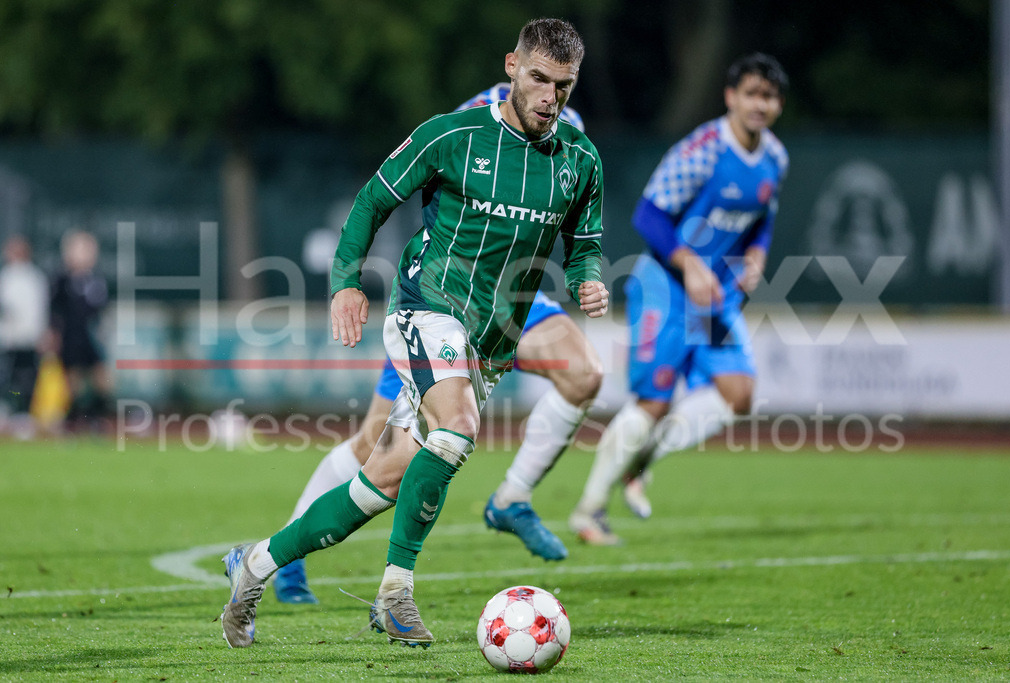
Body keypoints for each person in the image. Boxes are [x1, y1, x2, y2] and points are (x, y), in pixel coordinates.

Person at [220, 17, 607, 649]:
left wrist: (589, 280)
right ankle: (394, 593)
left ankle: (254, 564)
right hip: (427, 306)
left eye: (563, 85)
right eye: (539, 78)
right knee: (458, 428)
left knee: (382, 482)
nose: (549, 97)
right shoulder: (452, 135)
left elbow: (584, 245)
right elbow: (373, 199)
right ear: (511, 66)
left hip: (492, 339)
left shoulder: (580, 159)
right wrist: (346, 282)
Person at [568, 53, 789, 545]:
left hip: (716, 298)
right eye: (752, 94)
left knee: (739, 394)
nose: (760, 105)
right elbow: (648, 215)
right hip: (664, 290)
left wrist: (756, 255)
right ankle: (588, 511)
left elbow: (764, 218)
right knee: (654, 402)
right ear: (731, 97)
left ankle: (641, 460)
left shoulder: (775, 158)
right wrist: (689, 263)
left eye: (770, 97)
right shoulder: (703, 150)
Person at [49, 229, 112, 431]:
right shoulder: (62, 280)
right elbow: (54, 310)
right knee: (73, 380)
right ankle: (73, 419)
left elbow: (100, 310)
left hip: (90, 336)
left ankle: (96, 417)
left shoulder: (96, 280)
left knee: (101, 378)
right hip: (70, 335)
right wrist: (53, 334)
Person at [0, 235, 49, 437]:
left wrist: (41, 335)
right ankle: (8, 412)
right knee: (8, 379)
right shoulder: (6, 276)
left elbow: (39, 309)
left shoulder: (34, 277)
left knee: (27, 379)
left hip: (29, 339)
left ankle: (23, 415)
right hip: (8, 340)